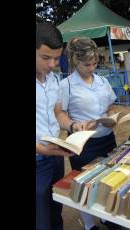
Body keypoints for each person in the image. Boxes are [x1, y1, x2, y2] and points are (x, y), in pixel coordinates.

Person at [57, 37, 120, 230]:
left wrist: (110, 118)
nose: (91, 68)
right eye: (87, 64)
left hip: (107, 139)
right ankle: (89, 224)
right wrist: (74, 125)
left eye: (94, 63)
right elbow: (60, 114)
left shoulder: (102, 80)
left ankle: (106, 217)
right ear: (76, 61)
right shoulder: (66, 85)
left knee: (108, 180)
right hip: (83, 144)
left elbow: (110, 106)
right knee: (85, 185)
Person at [36, 22, 89, 230]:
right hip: (39, 158)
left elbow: (57, 113)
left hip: (54, 157)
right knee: (40, 219)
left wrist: (74, 125)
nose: (52, 64)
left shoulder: (53, 79)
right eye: (46, 58)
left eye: (57, 58)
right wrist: (43, 149)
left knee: (55, 211)